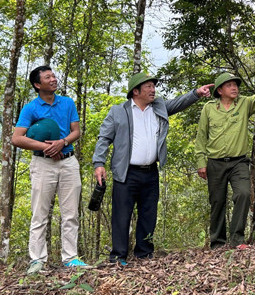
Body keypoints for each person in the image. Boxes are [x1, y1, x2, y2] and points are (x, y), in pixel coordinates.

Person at [92, 73, 212, 264]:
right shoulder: (118, 111)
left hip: (150, 172)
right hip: (126, 173)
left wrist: (196, 93)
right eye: (148, 86)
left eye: (153, 86)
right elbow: (104, 138)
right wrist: (99, 163)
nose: (153, 90)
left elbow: (179, 103)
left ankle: (144, 254)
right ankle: (118, 257)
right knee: (121, 216)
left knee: (148, 214)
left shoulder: (159, 107)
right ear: (135, 91)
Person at [195, 72, 255, 249]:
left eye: (236, 85)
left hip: (239, 162)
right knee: (217, 201)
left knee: (243, 194)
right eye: (229, 85)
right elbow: (201, 136)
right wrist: (201, 162)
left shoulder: (244, 103)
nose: (234, 88)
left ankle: (237, 239)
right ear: (220, 90)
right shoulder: (209, 108)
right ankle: (217, 242)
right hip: (215, 162)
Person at [12, 65, 87, 274]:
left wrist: (62, 142)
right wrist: (47, 147)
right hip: (43, 164)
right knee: (40, 213)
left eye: (53, 76)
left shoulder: (68, 103)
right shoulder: (31, 108)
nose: (53, 79)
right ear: (38, 84)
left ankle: (71, 258)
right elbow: (17, 138)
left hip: (69, 162)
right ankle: (37, 260)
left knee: (70, 213)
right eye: (48, 77)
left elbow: (76, 131)